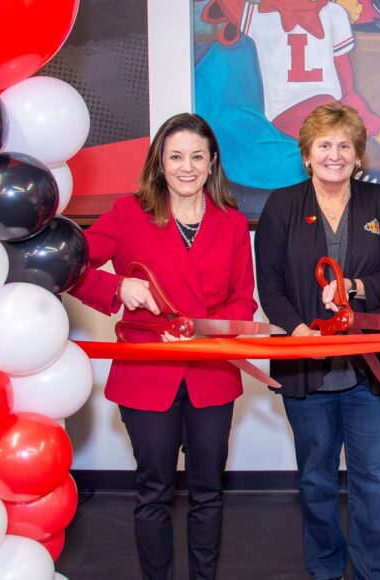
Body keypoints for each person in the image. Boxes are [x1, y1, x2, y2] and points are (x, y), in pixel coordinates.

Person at [69, 113, 257, 580]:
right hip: (147, 375)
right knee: (153, 489)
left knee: (208, 489)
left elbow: (242, 299)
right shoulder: (128, 213)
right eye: (176, 157)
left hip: (210, 374)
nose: (186, 167)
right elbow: (70, 264)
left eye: (197, 156)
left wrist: (211, 327)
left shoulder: (232, 222)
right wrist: (117, 289)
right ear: (159, 162)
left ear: (212, 163)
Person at [254, 102, 380, 580]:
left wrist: (355, 288)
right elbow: (271, 286)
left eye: (345, 145)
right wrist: (298, 333)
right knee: (316, 479)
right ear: (307, 155)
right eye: (324, 145)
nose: (335, 155)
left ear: (359, 155)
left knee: (377, 482)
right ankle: (324, 568)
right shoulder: (281, 205)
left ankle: (372, 573)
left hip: (371, 368)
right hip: (307, 367)